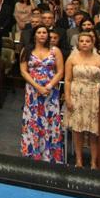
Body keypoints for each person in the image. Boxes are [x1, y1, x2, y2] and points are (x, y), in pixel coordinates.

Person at [64, 31, 100, 169]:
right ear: (78, 43)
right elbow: (67, 80)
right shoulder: (72, 59)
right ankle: (79, 160)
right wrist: (67, 98)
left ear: (93, 43)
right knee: (77, 129)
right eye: (82, 41)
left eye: (87, 41)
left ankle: (93, 161)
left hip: (94, 96)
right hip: (76, 95)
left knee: (94, 131)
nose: (84, 43)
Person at [19, 26, 64, 163]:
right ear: (34, 35)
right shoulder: (26, 50)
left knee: (50, 120)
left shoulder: (55, 51)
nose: (42, 35)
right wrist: (38, 87)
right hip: (33, 91)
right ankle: (33, 154)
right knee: (33, 120)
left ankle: (50, 156)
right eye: (39, 32)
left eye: (45, 32)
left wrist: (48, 86)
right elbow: (23, 71)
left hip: (50, 92)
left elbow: (60, 71)